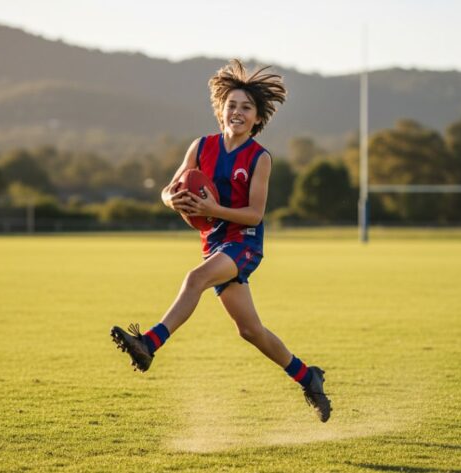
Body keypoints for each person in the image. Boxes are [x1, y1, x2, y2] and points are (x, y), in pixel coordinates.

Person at [111, 59, 331, 422]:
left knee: (194, 279)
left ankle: (148, 344)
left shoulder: (260, 158)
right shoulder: (200, 146)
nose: (238, 112)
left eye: (246, 107)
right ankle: (308, 376)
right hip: (214, 244)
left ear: (257, 118)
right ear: (220, 110)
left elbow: (255, 214)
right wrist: (173, 200)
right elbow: (170, 189)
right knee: (250, 330)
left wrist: (213, 206)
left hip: (244, 243)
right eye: (232, 105)